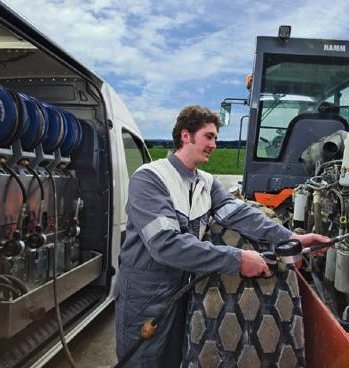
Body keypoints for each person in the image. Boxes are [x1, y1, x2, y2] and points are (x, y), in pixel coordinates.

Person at [114, 105, 329, 366]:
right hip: (145, 294)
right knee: (143, 360)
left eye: (215, 137)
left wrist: (290, 238)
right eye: (209, 136)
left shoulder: (205, 182)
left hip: (182, 288)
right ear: (186, 136)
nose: (214, 144)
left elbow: (241, 215)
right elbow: (165, 245)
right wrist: (237, 259)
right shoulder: (150, 179)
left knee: (174, 359)